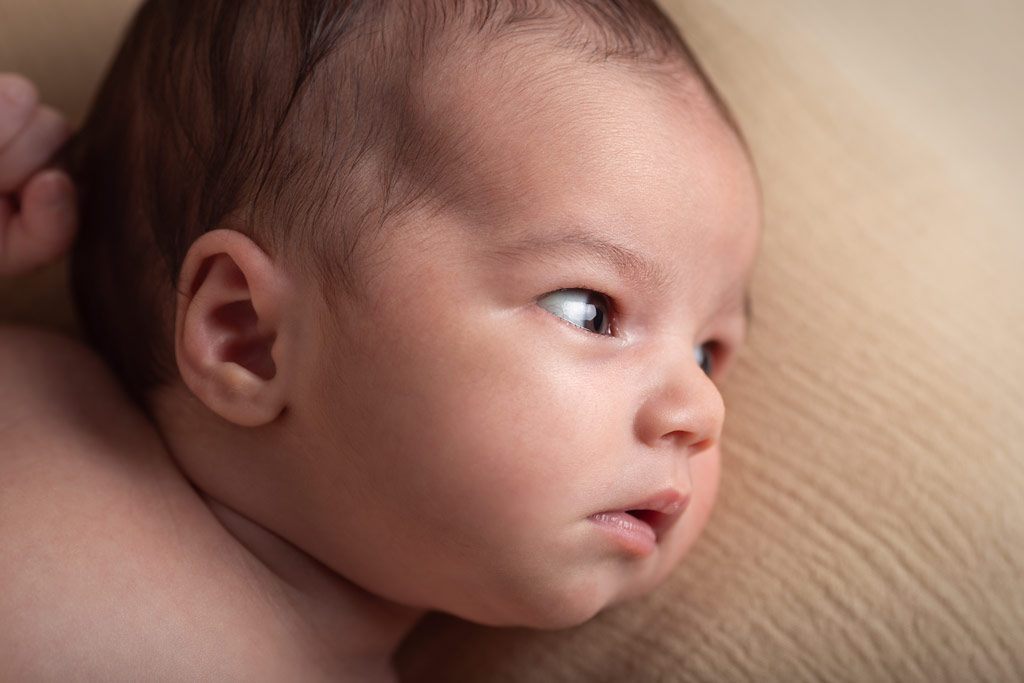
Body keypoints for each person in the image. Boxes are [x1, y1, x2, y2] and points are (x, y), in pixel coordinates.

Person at [0, 0, 760, 680]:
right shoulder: (32, 399)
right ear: (248, 336)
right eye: (589, 309)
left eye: (707, 353)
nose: (701, 410)